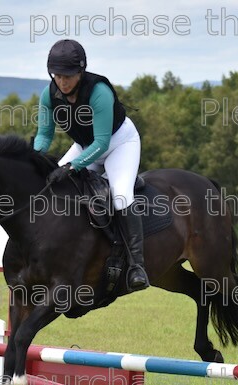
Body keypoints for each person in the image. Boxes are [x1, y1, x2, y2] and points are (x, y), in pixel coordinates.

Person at [33, 39, 148, 291]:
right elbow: (44, 135)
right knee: (52, 187)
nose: (62, 82)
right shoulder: (49, 94)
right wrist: (32, 158)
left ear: (80, 71)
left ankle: (137, 265)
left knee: (119, 196)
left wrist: (72, 166)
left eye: (67, 76)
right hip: (86, 146)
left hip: (119, 144)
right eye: (57, 75)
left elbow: (102, 142)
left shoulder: (99, 92)